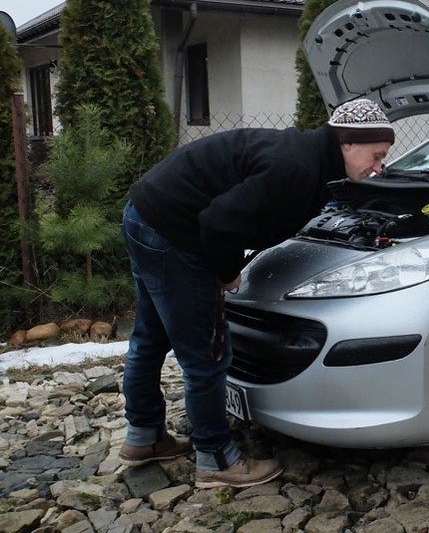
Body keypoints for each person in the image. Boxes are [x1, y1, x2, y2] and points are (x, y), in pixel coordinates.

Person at [118, 98, 395, 488]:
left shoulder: (308, 157)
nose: (380, 166)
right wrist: (227, 272)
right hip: (172, 231)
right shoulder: (296, 168)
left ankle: (144, 438)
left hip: (145, 213)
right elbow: (218, 223)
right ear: (348, 143)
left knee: (151, 335)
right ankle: (215, 459)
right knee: (208, 351)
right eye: (377, 155)